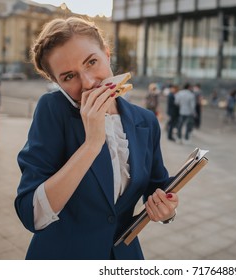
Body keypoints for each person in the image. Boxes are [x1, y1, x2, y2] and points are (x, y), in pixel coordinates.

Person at [14, 17, 178, 260]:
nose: (88, 83)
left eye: (92, 62)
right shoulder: (53, 109)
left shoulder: (145, 121)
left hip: (122, 255)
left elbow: (157, 185)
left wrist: (167, 210)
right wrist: (91, 144)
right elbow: (32, 214)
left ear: (107, 55)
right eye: (69, 77)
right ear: (56, 83)